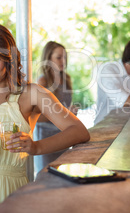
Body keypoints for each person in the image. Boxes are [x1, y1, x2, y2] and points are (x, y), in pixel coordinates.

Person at [0, 24, 90, 213]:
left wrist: (36, 147)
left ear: (9, 59)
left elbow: (79, 131)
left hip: (10, 193)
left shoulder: (33, 94)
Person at [34, 41, 78, 175]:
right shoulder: (43, 82)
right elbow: (36, 117)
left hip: (64, 136)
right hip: (46, 139)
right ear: (48, 59)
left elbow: (64, 109)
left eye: (65, 57)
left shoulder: (67, 79)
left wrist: (71, 112)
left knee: (63, 176)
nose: (63, 61)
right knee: (46, 176)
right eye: (59, 57)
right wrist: (64, 112)